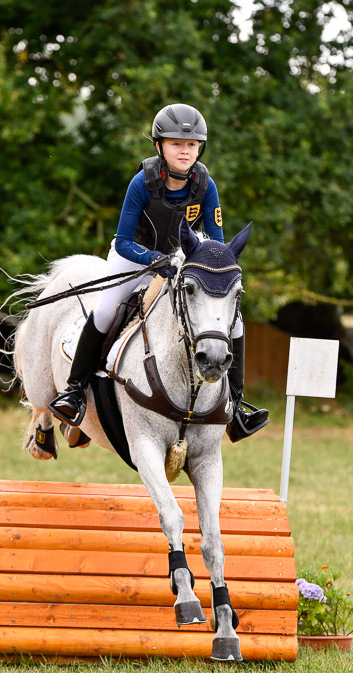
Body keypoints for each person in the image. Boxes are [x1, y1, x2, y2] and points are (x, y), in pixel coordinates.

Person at [49, 103, 269, 440]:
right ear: (159, 146)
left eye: (192, 145)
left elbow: (216, 245)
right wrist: (155, 259)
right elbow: (122, 241)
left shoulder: (205, 185)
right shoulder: (142, 183)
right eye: (176, 144)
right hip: (135, 258)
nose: (185, 151)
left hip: (182, 263)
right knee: (107, 310)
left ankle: (236, 407)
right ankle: (74, 393)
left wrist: (205, 266)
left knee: (234, 320)